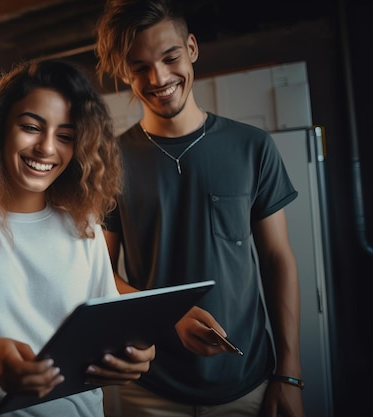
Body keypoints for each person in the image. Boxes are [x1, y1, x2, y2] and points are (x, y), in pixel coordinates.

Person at [0, 59, 156, 417]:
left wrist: (140, 354)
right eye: (31, 127)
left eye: (65, 136)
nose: (46, 148)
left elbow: (111, 338)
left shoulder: (86, 229)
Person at [95, 1, 305, 416]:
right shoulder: (109, 161)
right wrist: (166, 315)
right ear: (124, 72)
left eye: (170, 57)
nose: (158, 78)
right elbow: (99, 271)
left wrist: (290, 374)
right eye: (139, 67)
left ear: (191, 48)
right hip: (149, 388)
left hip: (248, 383)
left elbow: (278, 259)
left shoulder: (252, 147)